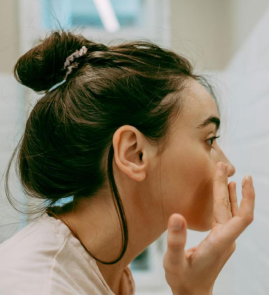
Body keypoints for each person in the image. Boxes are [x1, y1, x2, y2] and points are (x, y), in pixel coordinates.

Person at [0, 30, 255, 295]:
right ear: (134, 153)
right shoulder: (42, 287)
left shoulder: (111, 270)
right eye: (210, 140)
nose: (227, 165)